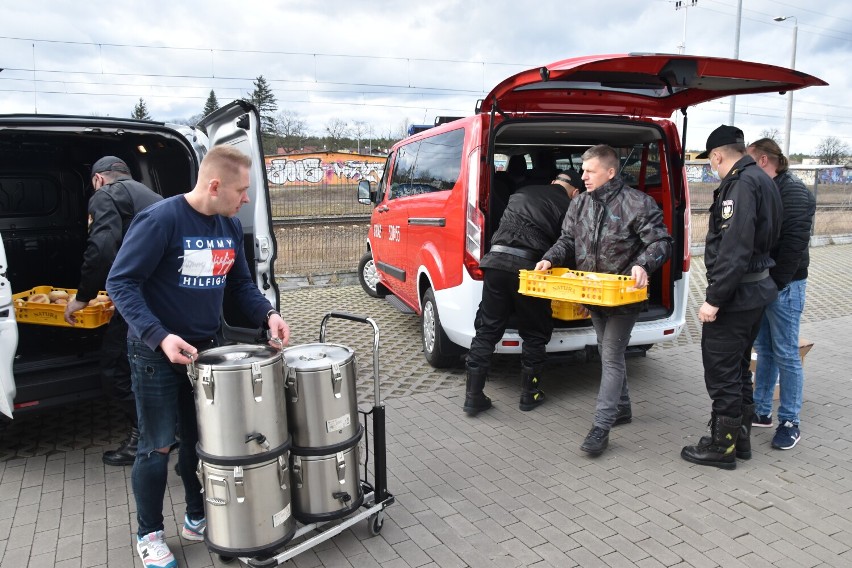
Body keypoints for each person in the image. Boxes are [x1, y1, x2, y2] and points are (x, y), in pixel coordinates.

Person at [107, 145, 291, 568]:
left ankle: (196, 516)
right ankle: (149, 534)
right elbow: (121, 282)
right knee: (157, 446)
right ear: (214, 185)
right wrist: (159, 335)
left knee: (200, 440)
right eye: (242, 190)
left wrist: (269, 314)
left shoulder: (226, 226)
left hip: (205, 352)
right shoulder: (161, 220)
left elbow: (240, 285)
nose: (246, 199)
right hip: (155, 351)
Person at [535, 145, 672, 456]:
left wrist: (643, 264)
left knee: (610, 355)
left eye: (590, 171)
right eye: (582, 171)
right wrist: (549, 259)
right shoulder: (580, 203)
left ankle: (601, 426)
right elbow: (568, 240)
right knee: (608, 352)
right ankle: (622, 407)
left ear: (610, 172)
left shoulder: (638, 203)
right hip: (593, 293)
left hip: (624, 295)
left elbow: (661, 241)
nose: (583, 176)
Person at [681, 125, 781, 470]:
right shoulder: (763, 180)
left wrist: (714, 299)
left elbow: (734, 250)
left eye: (711, 162)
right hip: (756, 291)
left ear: (718, 156)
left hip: (736, 296)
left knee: (722, 371)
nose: (713, 167)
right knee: (739, 369)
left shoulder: (739, 185)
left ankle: (721, 448)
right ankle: (741, 441)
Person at [64, 156, 162, 466]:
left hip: (139, 301)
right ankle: (168, 432)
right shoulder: (154, 198)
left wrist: (83, 296)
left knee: (115, 370)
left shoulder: (105, 195)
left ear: (98, 179)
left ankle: (145, 439)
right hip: (164, 298)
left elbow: (103, 246)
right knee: (156, 368)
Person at [464, 170, 581, 415]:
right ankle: (530, 394)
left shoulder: (522, 191)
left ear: (553, 181)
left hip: (495, 262)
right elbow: (568, 245)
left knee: (487, 329)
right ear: (576, 192)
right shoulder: (571, 207)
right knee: (535, 332)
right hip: (530, 270)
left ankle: (473, 397)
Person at [747, 138, 816, 450]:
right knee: (764, 348)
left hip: (786, 285)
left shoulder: (794, 192)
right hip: (766, 283)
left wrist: (775, 283)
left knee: (787, 353)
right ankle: (762, 411)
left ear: (763, 161)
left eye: (749, 160)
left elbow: (794, 243)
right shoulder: (768, 188)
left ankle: (790, 420)